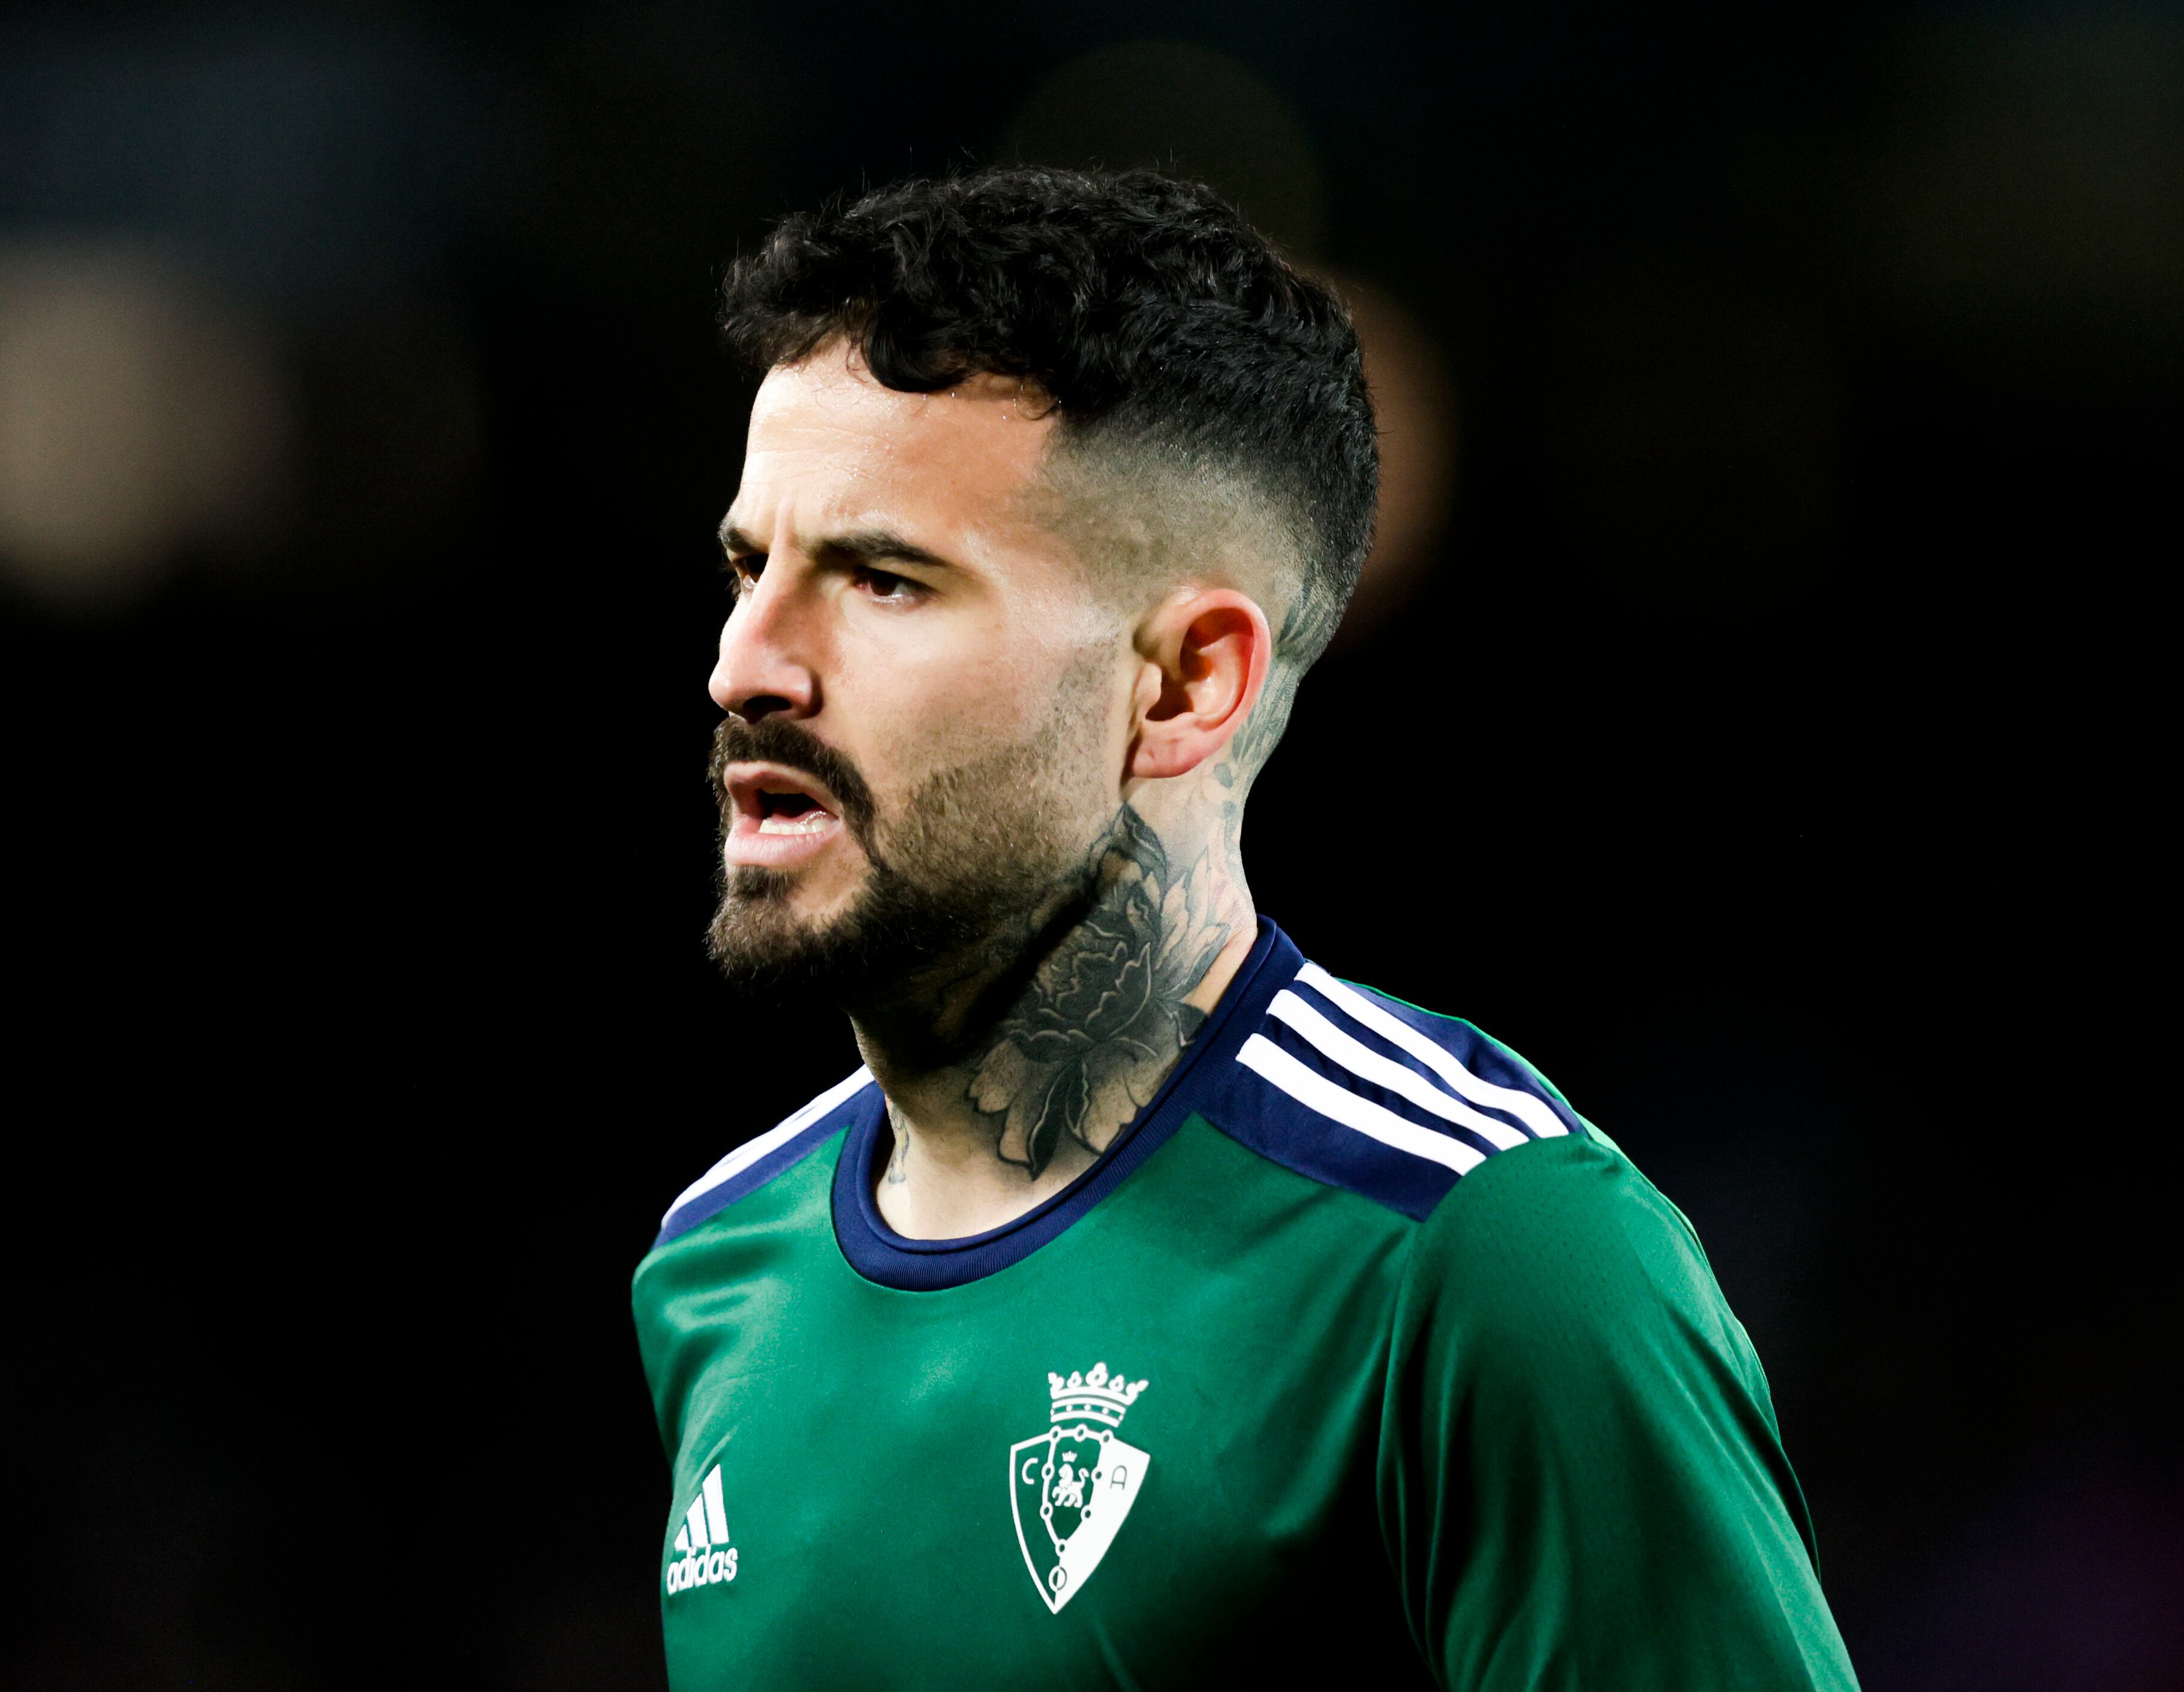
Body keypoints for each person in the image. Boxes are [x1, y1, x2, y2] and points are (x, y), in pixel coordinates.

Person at [633, 166, 1859, 1690]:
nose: (745, 667)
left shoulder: (1477, 1253)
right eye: (752, 568)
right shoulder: (712, 1266)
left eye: (883, 580)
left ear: (1183, 684)